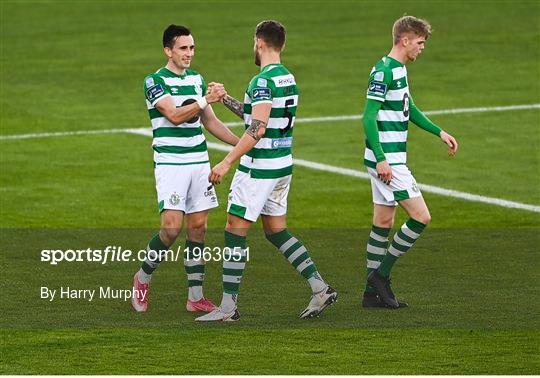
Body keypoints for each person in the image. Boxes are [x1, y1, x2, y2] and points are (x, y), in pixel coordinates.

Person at [195, 20, 338, 322]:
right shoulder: (287, 78)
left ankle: (227, 307)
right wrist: (225, 99)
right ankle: (319, 288)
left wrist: (226, 161)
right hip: (282, 165)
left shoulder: (261, 82)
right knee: (276, 231)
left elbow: (257, 129)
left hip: (259, 169)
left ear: (259, 42)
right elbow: (260, 117)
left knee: (235, 229)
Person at [131, 24, 239, 313]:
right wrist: (206, 99)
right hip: (170, 164)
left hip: (198, 163)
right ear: (168, 50)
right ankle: (142, 277)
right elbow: (175, 115)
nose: (189, 53)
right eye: (183, 48)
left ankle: (195, 297)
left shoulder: (196, 80)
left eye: (192, 48)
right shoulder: (155, 81)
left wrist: (242, 143)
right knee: (171, 228)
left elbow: (210, 122)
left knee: (198, 228)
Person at [361, 16, 458, 309]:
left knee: (383, 222)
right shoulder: (382, 72)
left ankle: (370, 295)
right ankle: (381, 275)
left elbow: (409, 108)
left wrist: (438, 131)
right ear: (404, 40)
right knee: (421, 217)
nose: (422, 48)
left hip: (390, 159)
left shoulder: (400, 69)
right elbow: (368, 117)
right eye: (420, 42)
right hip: (387, 161)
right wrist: (381, 159)